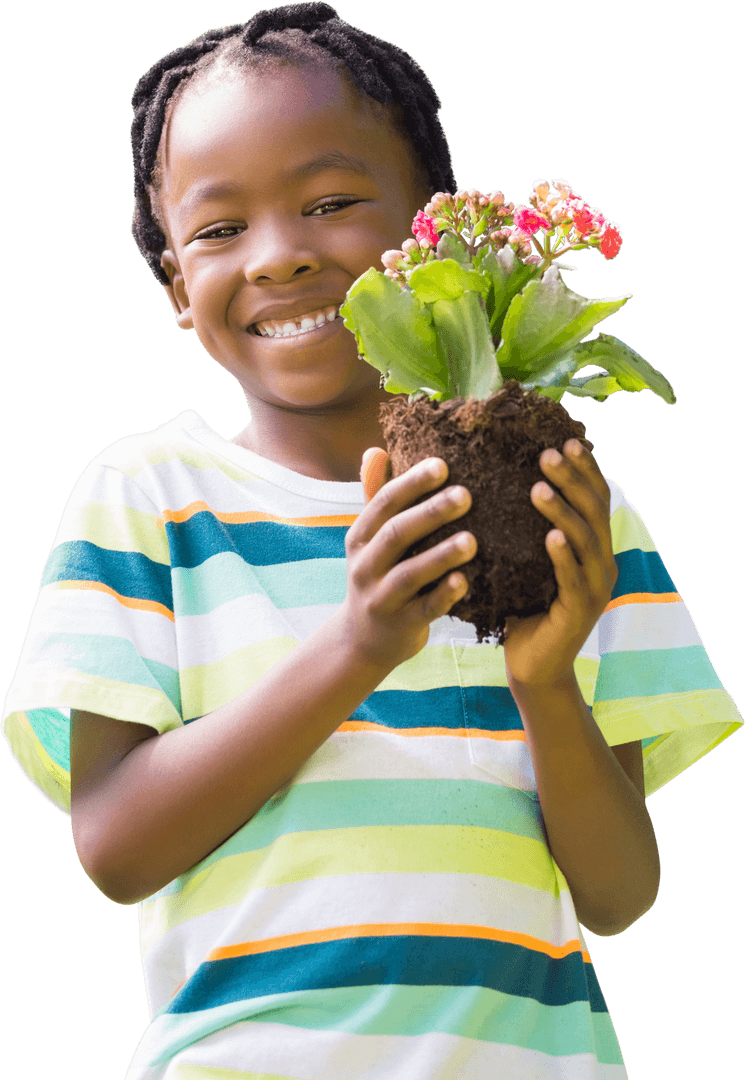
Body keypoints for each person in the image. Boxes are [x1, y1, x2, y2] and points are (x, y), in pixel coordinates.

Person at [2, 4, 742, 1078]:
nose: (280, 256)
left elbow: (618, 895)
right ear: (172, 285)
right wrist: (357, 644)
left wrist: (541, 678)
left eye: (333, 202)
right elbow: (116, 849)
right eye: (218, 230)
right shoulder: (149, 497)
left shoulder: (567, 510)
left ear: (432, 228)